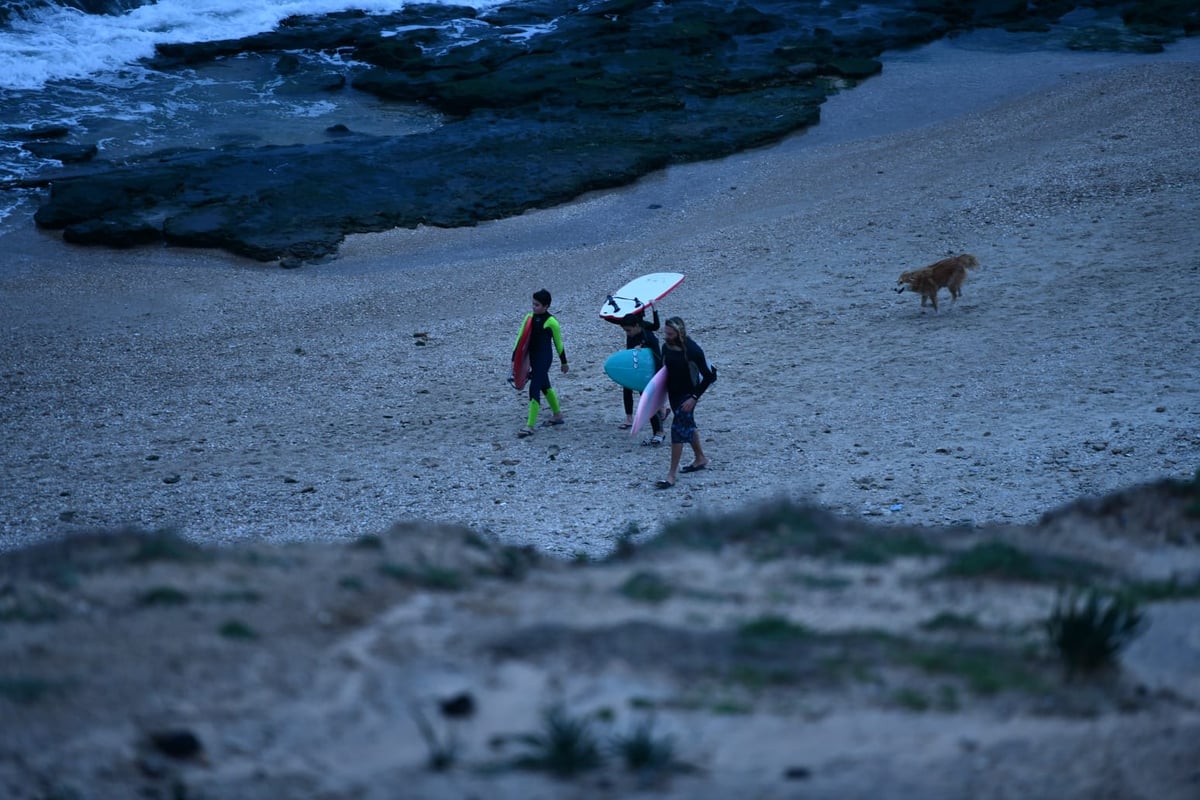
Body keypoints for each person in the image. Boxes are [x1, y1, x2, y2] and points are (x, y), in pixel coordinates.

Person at [656, 316, 716, 489]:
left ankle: (671, 475)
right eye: (665, 332)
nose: (666, 336)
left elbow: (710, 376)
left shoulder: (693, 350)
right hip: (674, 395)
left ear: (679, 332)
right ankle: (700, 458)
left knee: (677, 431)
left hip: (688, 396)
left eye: (670, 333)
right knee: (688, 426)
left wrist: (694, 398)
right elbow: (663, 371)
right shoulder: (666, 346)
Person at [513, 289, 568, 438]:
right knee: (545, 386)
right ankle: (557, 415)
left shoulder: (552, 322)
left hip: (544, 359)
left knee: (534, 387)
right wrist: (515, 358)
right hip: (533, 359)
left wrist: (564, 362)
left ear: (546, 306)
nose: (533, 307)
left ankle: (529, 426)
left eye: (537, 305)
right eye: (533, 304)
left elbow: (559, 344)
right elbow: (520, 339)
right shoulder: (529, 318)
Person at [608, 307, 664, 445]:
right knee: (646, 402)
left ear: (637, 326)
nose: (627, 333)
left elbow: (656, 359)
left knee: (649, 402)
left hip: (652, 374)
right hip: (640, 373)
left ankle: (660, 432)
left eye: (628, 330)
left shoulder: (648, 336)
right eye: (625, 331)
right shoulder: (632, 335)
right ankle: (656, 431)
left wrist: (654, 379)